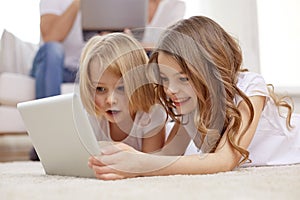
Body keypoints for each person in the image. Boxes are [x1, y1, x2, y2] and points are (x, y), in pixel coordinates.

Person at [88, 16, 300, 180]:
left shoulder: (250, 88)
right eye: (164, 78)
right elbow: (170, 154)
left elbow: (224, 160)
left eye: (182, 78)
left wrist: (141, 166)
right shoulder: (189, 103)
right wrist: (131, 156)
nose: (171, 90)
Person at [78, 33, 166, 155]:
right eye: (100, 89)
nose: (110, 100)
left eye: (121, 88)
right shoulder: (91, 117)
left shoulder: (153, 114)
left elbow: (151, 164)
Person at [29, 0, 84, 161]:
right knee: (53, 49)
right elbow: (51, 36)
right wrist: (79, 3)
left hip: (81, 69)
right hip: (51, 66)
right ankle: (47, 141)